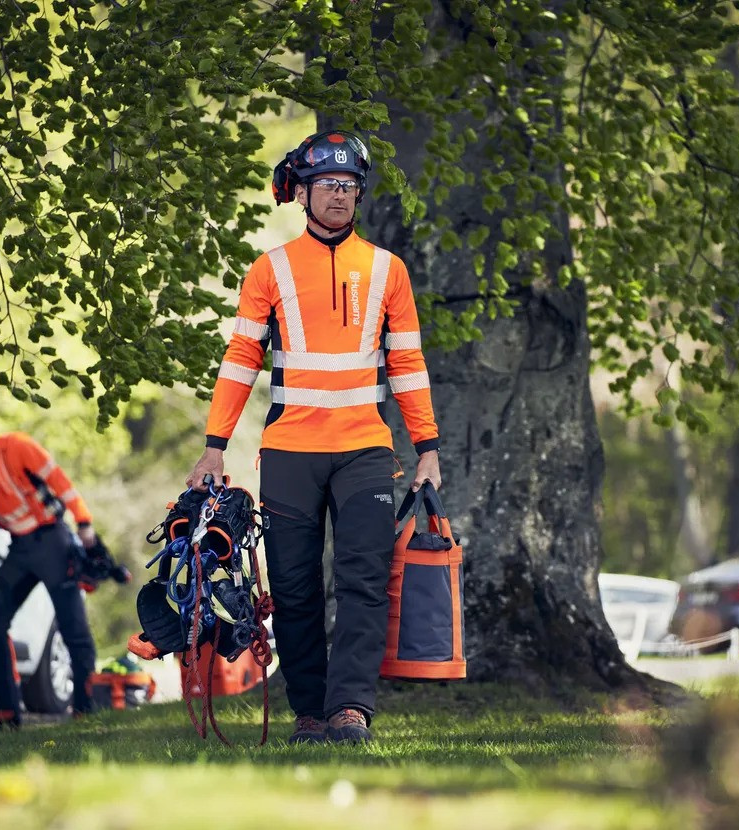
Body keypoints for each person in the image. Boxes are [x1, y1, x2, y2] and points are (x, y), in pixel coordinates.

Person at [186, 130, 442, 744]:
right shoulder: (268, 269)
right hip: (289, 454)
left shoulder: (389, 270)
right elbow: (241, 358)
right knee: (296, 589)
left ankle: (350, 708)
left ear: (359, 195)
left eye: (349, 186)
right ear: (301, 192)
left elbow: (407, 364)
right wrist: (214, 444)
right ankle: (307, 711)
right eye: (327, 185)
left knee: (363, 580)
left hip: (365, 451)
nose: (338, 196)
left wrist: (428, 450)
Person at [0, 405, 99, 730]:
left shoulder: (15, 446)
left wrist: (84, 522)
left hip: (54, 543)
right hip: (21, 550)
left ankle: (85, 708)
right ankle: (7, 711)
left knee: (73, 629)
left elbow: (61, 483)